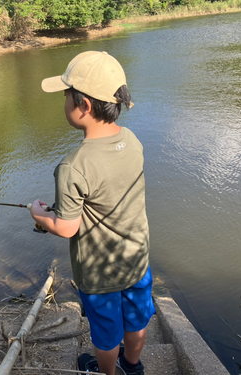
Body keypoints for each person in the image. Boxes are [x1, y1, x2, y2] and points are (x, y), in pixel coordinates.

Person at [30, 51, 155, 375]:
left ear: (83, 105)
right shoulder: (133, 141)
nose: (64, 103)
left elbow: (68, 227)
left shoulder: (73, 166)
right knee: (137, 318)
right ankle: (133, 366)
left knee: (105, 331)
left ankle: (108, 372)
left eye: (66, 96)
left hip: (100, 273)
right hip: (137, 258)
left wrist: (39, 214)